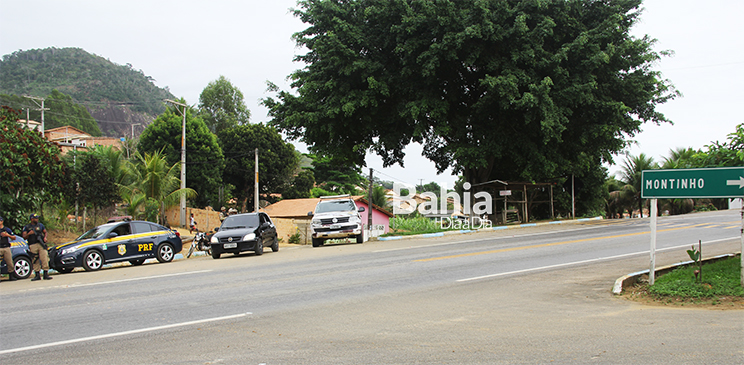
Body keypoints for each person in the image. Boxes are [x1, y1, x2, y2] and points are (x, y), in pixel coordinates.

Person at [22, 213, 52, 281]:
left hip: (41, 244)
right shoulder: (27, 227)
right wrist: (29, 234)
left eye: (37, 218)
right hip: (32, 244)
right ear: (32, 219)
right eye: (35, 218)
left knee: (44, 258)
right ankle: (37, 274)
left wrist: (45, 238)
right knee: (35, 259)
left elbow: (45, 232)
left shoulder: (40, 225)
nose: (37, 219)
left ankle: (45, 273)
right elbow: (24, 237)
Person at [0, 216, 18, 282]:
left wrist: (7, 235)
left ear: (2, 221)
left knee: (9, 262)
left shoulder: (6, 229)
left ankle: (11, 276)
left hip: (6, 247)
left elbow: (14, 237)